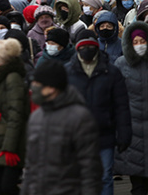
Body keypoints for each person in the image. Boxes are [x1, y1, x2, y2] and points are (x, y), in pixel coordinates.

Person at [22, 60, 103, 194]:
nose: (33, 87)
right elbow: (31, 167)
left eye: (37, 84)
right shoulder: (36, 118)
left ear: (52, 88)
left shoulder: (80, 118)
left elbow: (90, 168)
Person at [66, 30, 132, 195]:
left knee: (104, 176)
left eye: (90, 46)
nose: (87, 49)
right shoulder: (68, 72)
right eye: (83, 46)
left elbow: (121, 105)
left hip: (104, 133)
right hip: (76, 136)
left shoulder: (111, 71)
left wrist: (124, 133)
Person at [115, 22, 148, 194]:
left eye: (141, 41)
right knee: (138, 187)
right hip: (133, 130)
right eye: (134, 42)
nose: (139, 45)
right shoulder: (121, 64)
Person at [0, 38, 29, 195]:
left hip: (8, 142)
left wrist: (10, 148)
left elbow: (16, 113)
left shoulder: (12, 78)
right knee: (1, 188)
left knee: (7, 188)